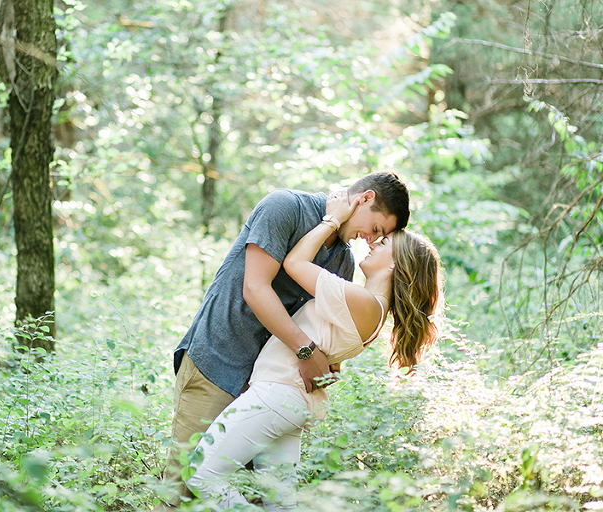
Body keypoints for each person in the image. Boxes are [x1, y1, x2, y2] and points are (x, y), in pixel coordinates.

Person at [184, 192, 443, 510]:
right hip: (293, 401)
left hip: (277, 393)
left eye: (384, 243)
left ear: (394, 265)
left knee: (200, 473)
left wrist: (331, 219)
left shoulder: (363, 303)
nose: (374, 242)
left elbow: (294, 263)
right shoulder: (371, 308)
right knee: (280, 501)